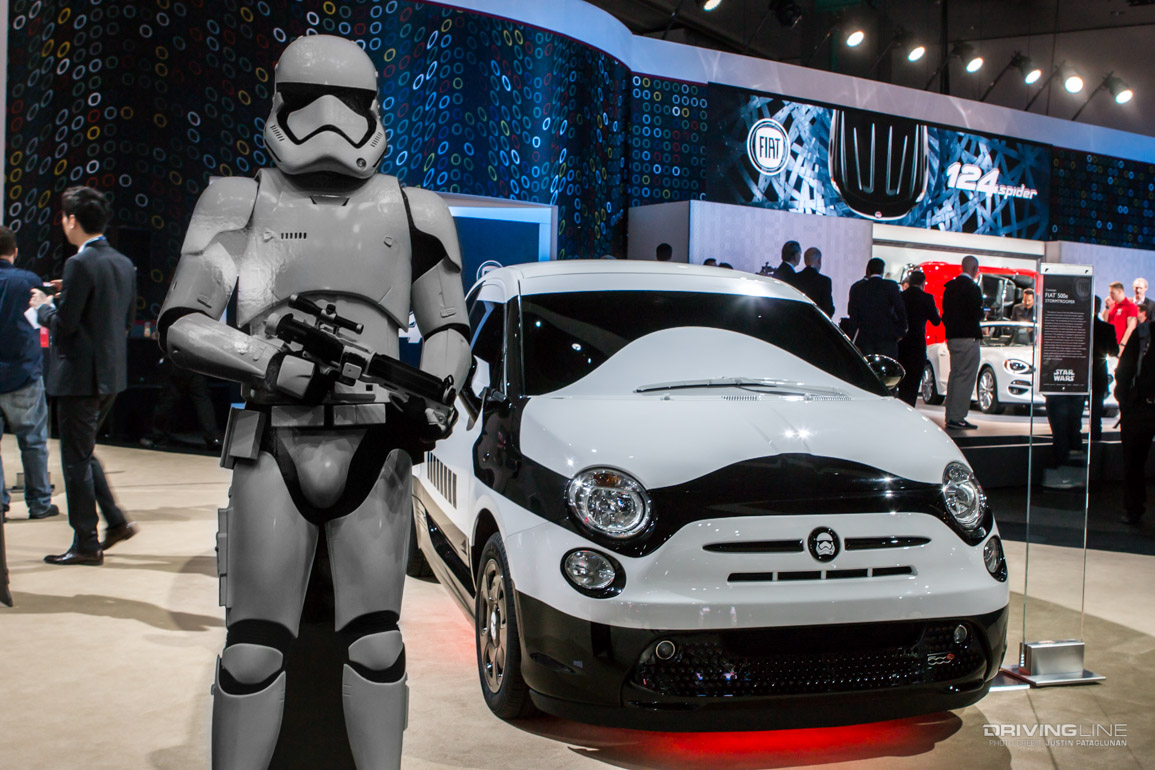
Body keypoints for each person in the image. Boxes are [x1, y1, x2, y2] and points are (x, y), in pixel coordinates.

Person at [157, 36, 472, 767]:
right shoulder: (238, 199)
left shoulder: (414, 209)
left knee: (377, 644)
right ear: (279, 104)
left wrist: (433, 395)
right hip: (273, 435)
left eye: (349, 103)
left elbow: (448, 327)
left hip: (377, 440)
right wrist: (271, 362)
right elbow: (183, 322)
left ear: (374, 110)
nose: (329, 118)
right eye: (307, 100)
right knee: (252, 651)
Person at [29, 187, 138, 565]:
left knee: (75, 461)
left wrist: (44, 307)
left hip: (80, 377)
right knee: (83, 452)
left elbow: (66, 326)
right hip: (110, 374)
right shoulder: (122, 262)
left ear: (72, 220)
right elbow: (123, 319)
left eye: (64, 216)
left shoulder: (79, 264)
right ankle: (116, 522)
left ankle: (86, 543)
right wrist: (69, 295)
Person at [0, 226, 58, 522]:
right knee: (33, 442)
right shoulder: (28, 281)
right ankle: (39, 503)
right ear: (15, 251)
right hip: (23, 373)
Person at [1114, 316, 1155, 525]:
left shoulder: (1142, 334)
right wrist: (1126, 401)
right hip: (1139, 408)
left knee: (1134, 461)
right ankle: (1133, 507)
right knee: (1133, 461)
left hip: (1139, 407)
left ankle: (1133, 508)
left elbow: (1124, 370)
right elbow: (1124, 370)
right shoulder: (1143, 334)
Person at [941, 256, 984, 430]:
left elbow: (945, 315)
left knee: (955, 376)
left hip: (953, 338)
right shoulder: (973, 289)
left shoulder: (949, 288)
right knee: (965, 378)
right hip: (968, 338)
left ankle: (950, 415)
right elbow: (977, 313)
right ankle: (957, 417)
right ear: (974, 269)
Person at [846, 257, 907, 359]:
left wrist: (851, 339)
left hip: (865, 338)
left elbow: (853, 316)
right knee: (887, 365)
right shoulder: (891, 286)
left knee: (868, 365)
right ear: (882, 271)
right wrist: (901, 331)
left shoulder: (858, 288)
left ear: (868, 270)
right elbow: (900, 310)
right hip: (887, 337)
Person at [896, 270, 941, 406]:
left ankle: (900, 405)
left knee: (901, 379)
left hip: (902, 343)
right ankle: (910, 406)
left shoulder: (901, 296)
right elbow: (936, 321)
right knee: (914, 380)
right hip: (917, 344)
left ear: (909, 282)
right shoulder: (927, 298)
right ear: (923, 283)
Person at [1090, 295, 1119, 442]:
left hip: (1078, 374)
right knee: (1096, 413)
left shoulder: (1079, 326)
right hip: (1098, 373)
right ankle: (1095, 442)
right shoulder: (1107, 328)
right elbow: (1113, 351)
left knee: (1073, 413)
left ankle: (1074, 443)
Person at [794, 247, 835, 317]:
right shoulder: (825, 281)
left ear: (805, 261)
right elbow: (827, 309)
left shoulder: (794, 278)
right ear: (819, 260)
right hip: (816, 322)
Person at [1107, 281, 1139, 349]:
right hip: (1109, 344)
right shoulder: (1112, 305)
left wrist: (1123, 344)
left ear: (1119, 291)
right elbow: (1106, 321)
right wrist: (1106, 307)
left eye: (1112, 293)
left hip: (1121, 345)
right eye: (1110, 293)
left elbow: (1131, 327)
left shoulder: (1130, 306)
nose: (1110, 295)